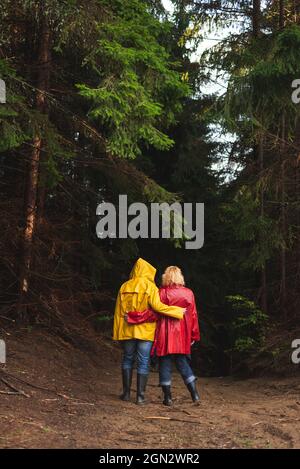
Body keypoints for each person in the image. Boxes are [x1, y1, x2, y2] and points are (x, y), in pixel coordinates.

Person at [113, 258, 185, 405]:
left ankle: (126, 394)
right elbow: (158, 307)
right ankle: (140, 397)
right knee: (143, 362)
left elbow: (118, 312)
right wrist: (177, 311)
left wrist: (117, 332)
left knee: (127, 359)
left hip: (127, 330)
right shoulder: (151, 287)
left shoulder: (124, 286)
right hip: (145, 331)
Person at [126, 266, 200, 406]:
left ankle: (168, 398)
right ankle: (195, 395)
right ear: (180, 276)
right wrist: (193, 336)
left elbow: (152, 313)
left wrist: (133, 317)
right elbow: (193, 316)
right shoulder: (189, 293)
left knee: (164, 364)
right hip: (182, 335)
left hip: (165, 334)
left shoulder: (161, 293)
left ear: (166, 277)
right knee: (182, 363)